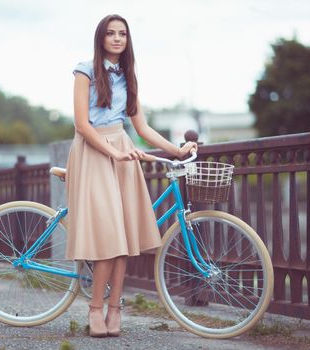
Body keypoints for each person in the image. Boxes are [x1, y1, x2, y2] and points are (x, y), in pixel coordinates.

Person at [65, 14, 198, 338]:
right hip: (94, 151)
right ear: (101, 38)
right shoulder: (85, 70)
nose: (116, 38)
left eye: (122, 33)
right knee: (110, 238)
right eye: (110, 33)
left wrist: (176, 150)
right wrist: (113, 152)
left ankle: (114, 309)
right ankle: (95, 309)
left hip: (122, 149)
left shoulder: (128, 75)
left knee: (123, 241)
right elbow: (82, 125)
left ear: (128, 39)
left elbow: (141, 128)